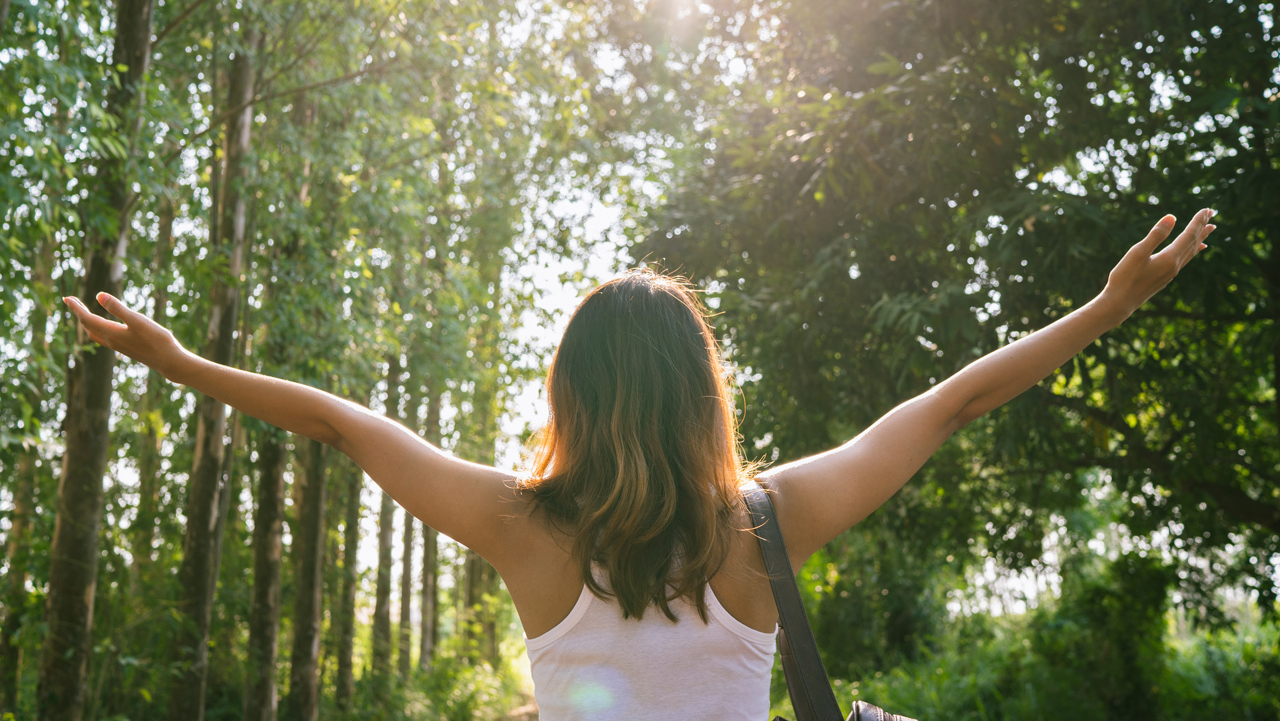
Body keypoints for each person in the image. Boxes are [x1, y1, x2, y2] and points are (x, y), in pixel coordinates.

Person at [65, 209, 1216, 720]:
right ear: (699, 389)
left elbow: (342, 424)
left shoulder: (522, 526)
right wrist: (1105, 307)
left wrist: (179, 360)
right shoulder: (768, 521)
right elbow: (952, 401)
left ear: (570, 391)